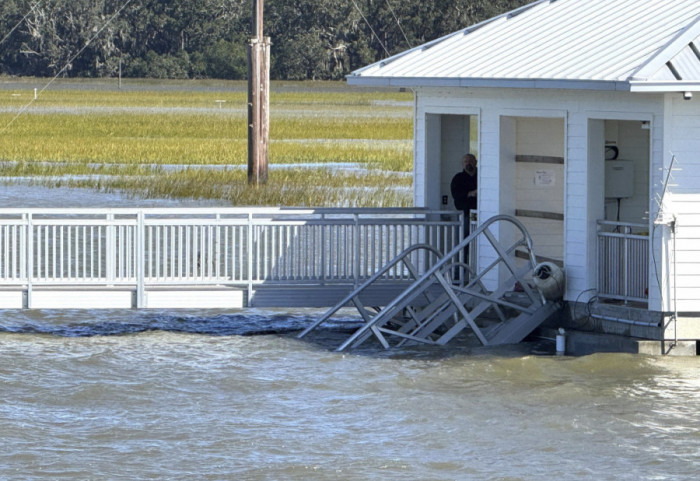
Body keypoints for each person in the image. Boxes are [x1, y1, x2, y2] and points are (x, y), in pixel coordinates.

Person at [450, 153, 477, 268]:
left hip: (480, 215)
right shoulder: (458, 178)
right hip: (465, 215)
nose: (468, 163)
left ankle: (477, 273)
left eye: (471, 161)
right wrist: (470, 193)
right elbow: (456, 195)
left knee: (479, 244)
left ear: (476, 162)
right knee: (462, 245)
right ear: (462, 164)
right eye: (466, 161)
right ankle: (458, 276)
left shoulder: (482, 176)